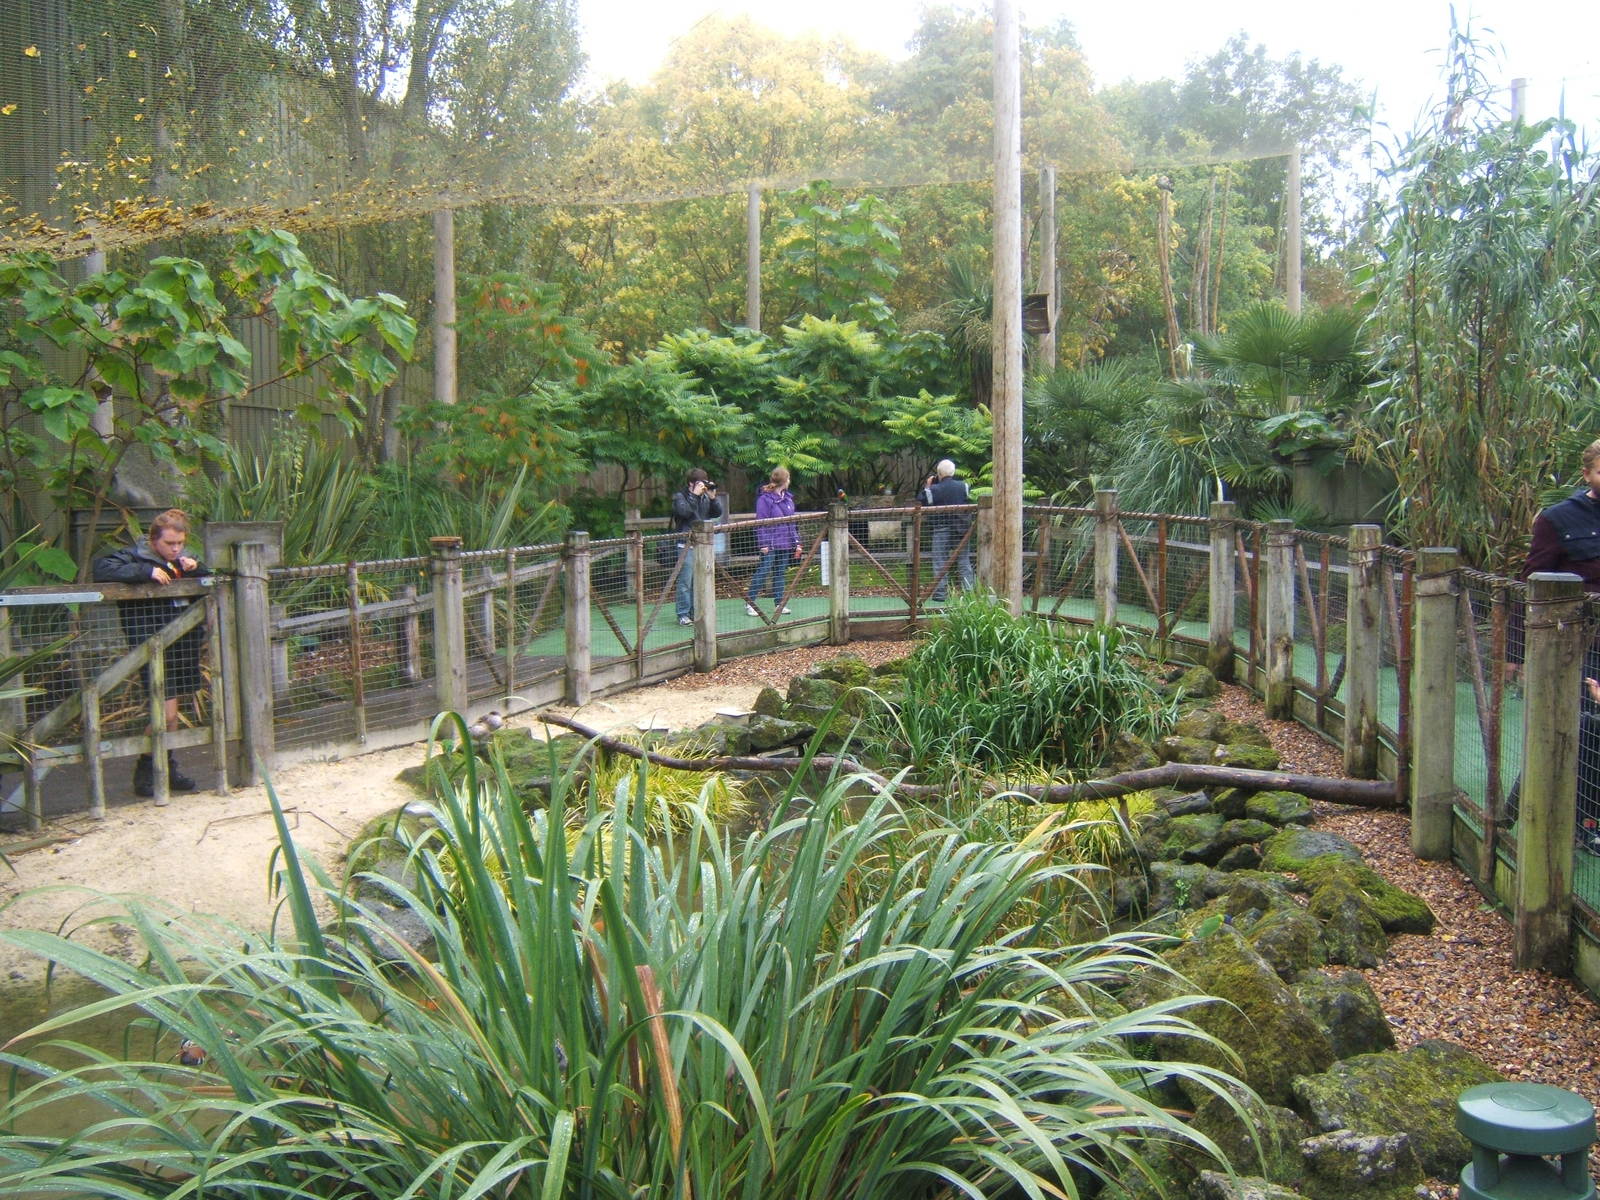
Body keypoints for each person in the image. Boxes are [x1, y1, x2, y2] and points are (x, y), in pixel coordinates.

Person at [92, 508, 210, 798]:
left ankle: (163, 769)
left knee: (170, 714)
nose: (175, 548)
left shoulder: (184, 559)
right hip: (152, 645)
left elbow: (209, 577)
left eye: (180, 543)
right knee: (165, 713)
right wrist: (145, 571)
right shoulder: (134, 556)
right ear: (154, 539)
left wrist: (197, 567)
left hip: (183, 643)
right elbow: (101, 569)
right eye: (169, 543)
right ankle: (147, 771)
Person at [746, 466, 801, 617]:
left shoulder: (788, 499)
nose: (789, 481)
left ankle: (779, 604)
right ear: (784, 481)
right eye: (788, 478)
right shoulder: (764, 500)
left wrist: (796, 542)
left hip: (785, 543)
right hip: (770, 544)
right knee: (763, 571)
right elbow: (761, 522)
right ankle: (750, 603)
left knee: (780, 573)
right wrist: (763, 543)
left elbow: (792, 522)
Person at [669, 468, 722, 625]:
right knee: (685, 581)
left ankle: (695, 611)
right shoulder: (681, 496)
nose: (702, 487)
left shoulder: (705, 497)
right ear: (691, 483)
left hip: (701, 544)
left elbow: (716, 512)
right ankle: (683, 613)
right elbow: (684, 512)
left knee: (698, 580)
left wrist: (712, 498)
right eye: (699, 483)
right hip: (685, 544)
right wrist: (694, 495)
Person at [920, 459, 974, 602]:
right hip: (961, 528)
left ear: (938, 474)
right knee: (964, 561)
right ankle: (969, 594)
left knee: (939, 561)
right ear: (954, 472)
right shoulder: (964, 486)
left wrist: (928, 485)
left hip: (941, 528)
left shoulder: (933, 490)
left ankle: (940, 594)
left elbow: (921, 499)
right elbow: (967, 501)